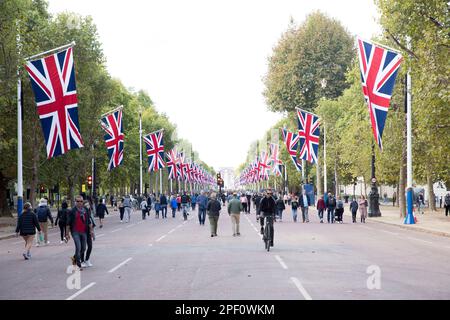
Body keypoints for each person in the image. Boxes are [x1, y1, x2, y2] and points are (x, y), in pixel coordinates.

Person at [66, 195, 92, 270]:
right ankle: (78, 265)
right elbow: (68, 223)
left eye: (81, 201)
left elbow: (89, 221)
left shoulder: (85, 210)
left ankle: (74, 258)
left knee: (83, 248)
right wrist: (67, 234)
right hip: (75, 232)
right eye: (78, 201)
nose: (80, 203)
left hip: (84, 231)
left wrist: (91, 231)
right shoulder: (72, 211)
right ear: (75, 202)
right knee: (78, 247)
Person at [81, 200, 95, 268]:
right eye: (86, 205)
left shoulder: (90, 213)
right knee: (83, 247)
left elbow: (91, 223)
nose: (87, 206)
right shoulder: (82, 212)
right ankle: (82, 261)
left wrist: (92, 232)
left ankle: (87, 259)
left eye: (88, 205)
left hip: (89, 231)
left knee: (90, 246)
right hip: (82, 231)